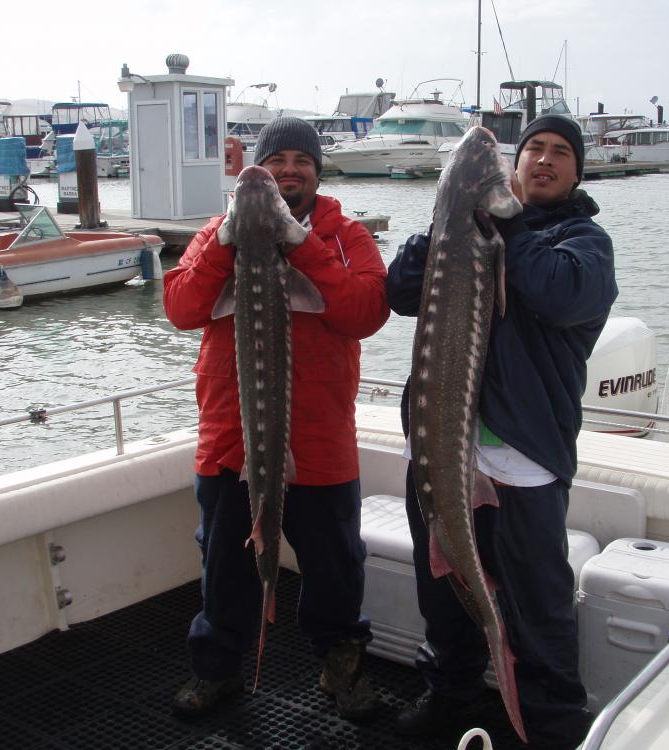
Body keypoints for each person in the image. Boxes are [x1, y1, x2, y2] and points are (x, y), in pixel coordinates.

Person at [385, 115, 618, 748]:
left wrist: (506, 221)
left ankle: (550, 727)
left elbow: (560, 293)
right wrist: (447, 214)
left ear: (577, 171)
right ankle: (450, 697)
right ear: (511, 167)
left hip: (522, 461)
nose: (544, 159)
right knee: (444, 589)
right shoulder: (464, 226)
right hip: (437, 443)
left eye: (560, 152)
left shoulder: (585, 242)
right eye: (533, 148)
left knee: (536, 605)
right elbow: (400, 289)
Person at [163, 117, 390, 721]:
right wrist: (226, 242)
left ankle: (339, 670)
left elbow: (367, 310)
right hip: (230, 441)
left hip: (320, 442)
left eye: (301, 160)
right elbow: (181, 307)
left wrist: (300, 244)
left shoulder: (346, 236)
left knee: (336, 569)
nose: (289, 170)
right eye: (276, 160)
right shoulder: (217, 233)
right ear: (252, 173)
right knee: (224, 564)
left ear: (318, 170)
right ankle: (217, 672)